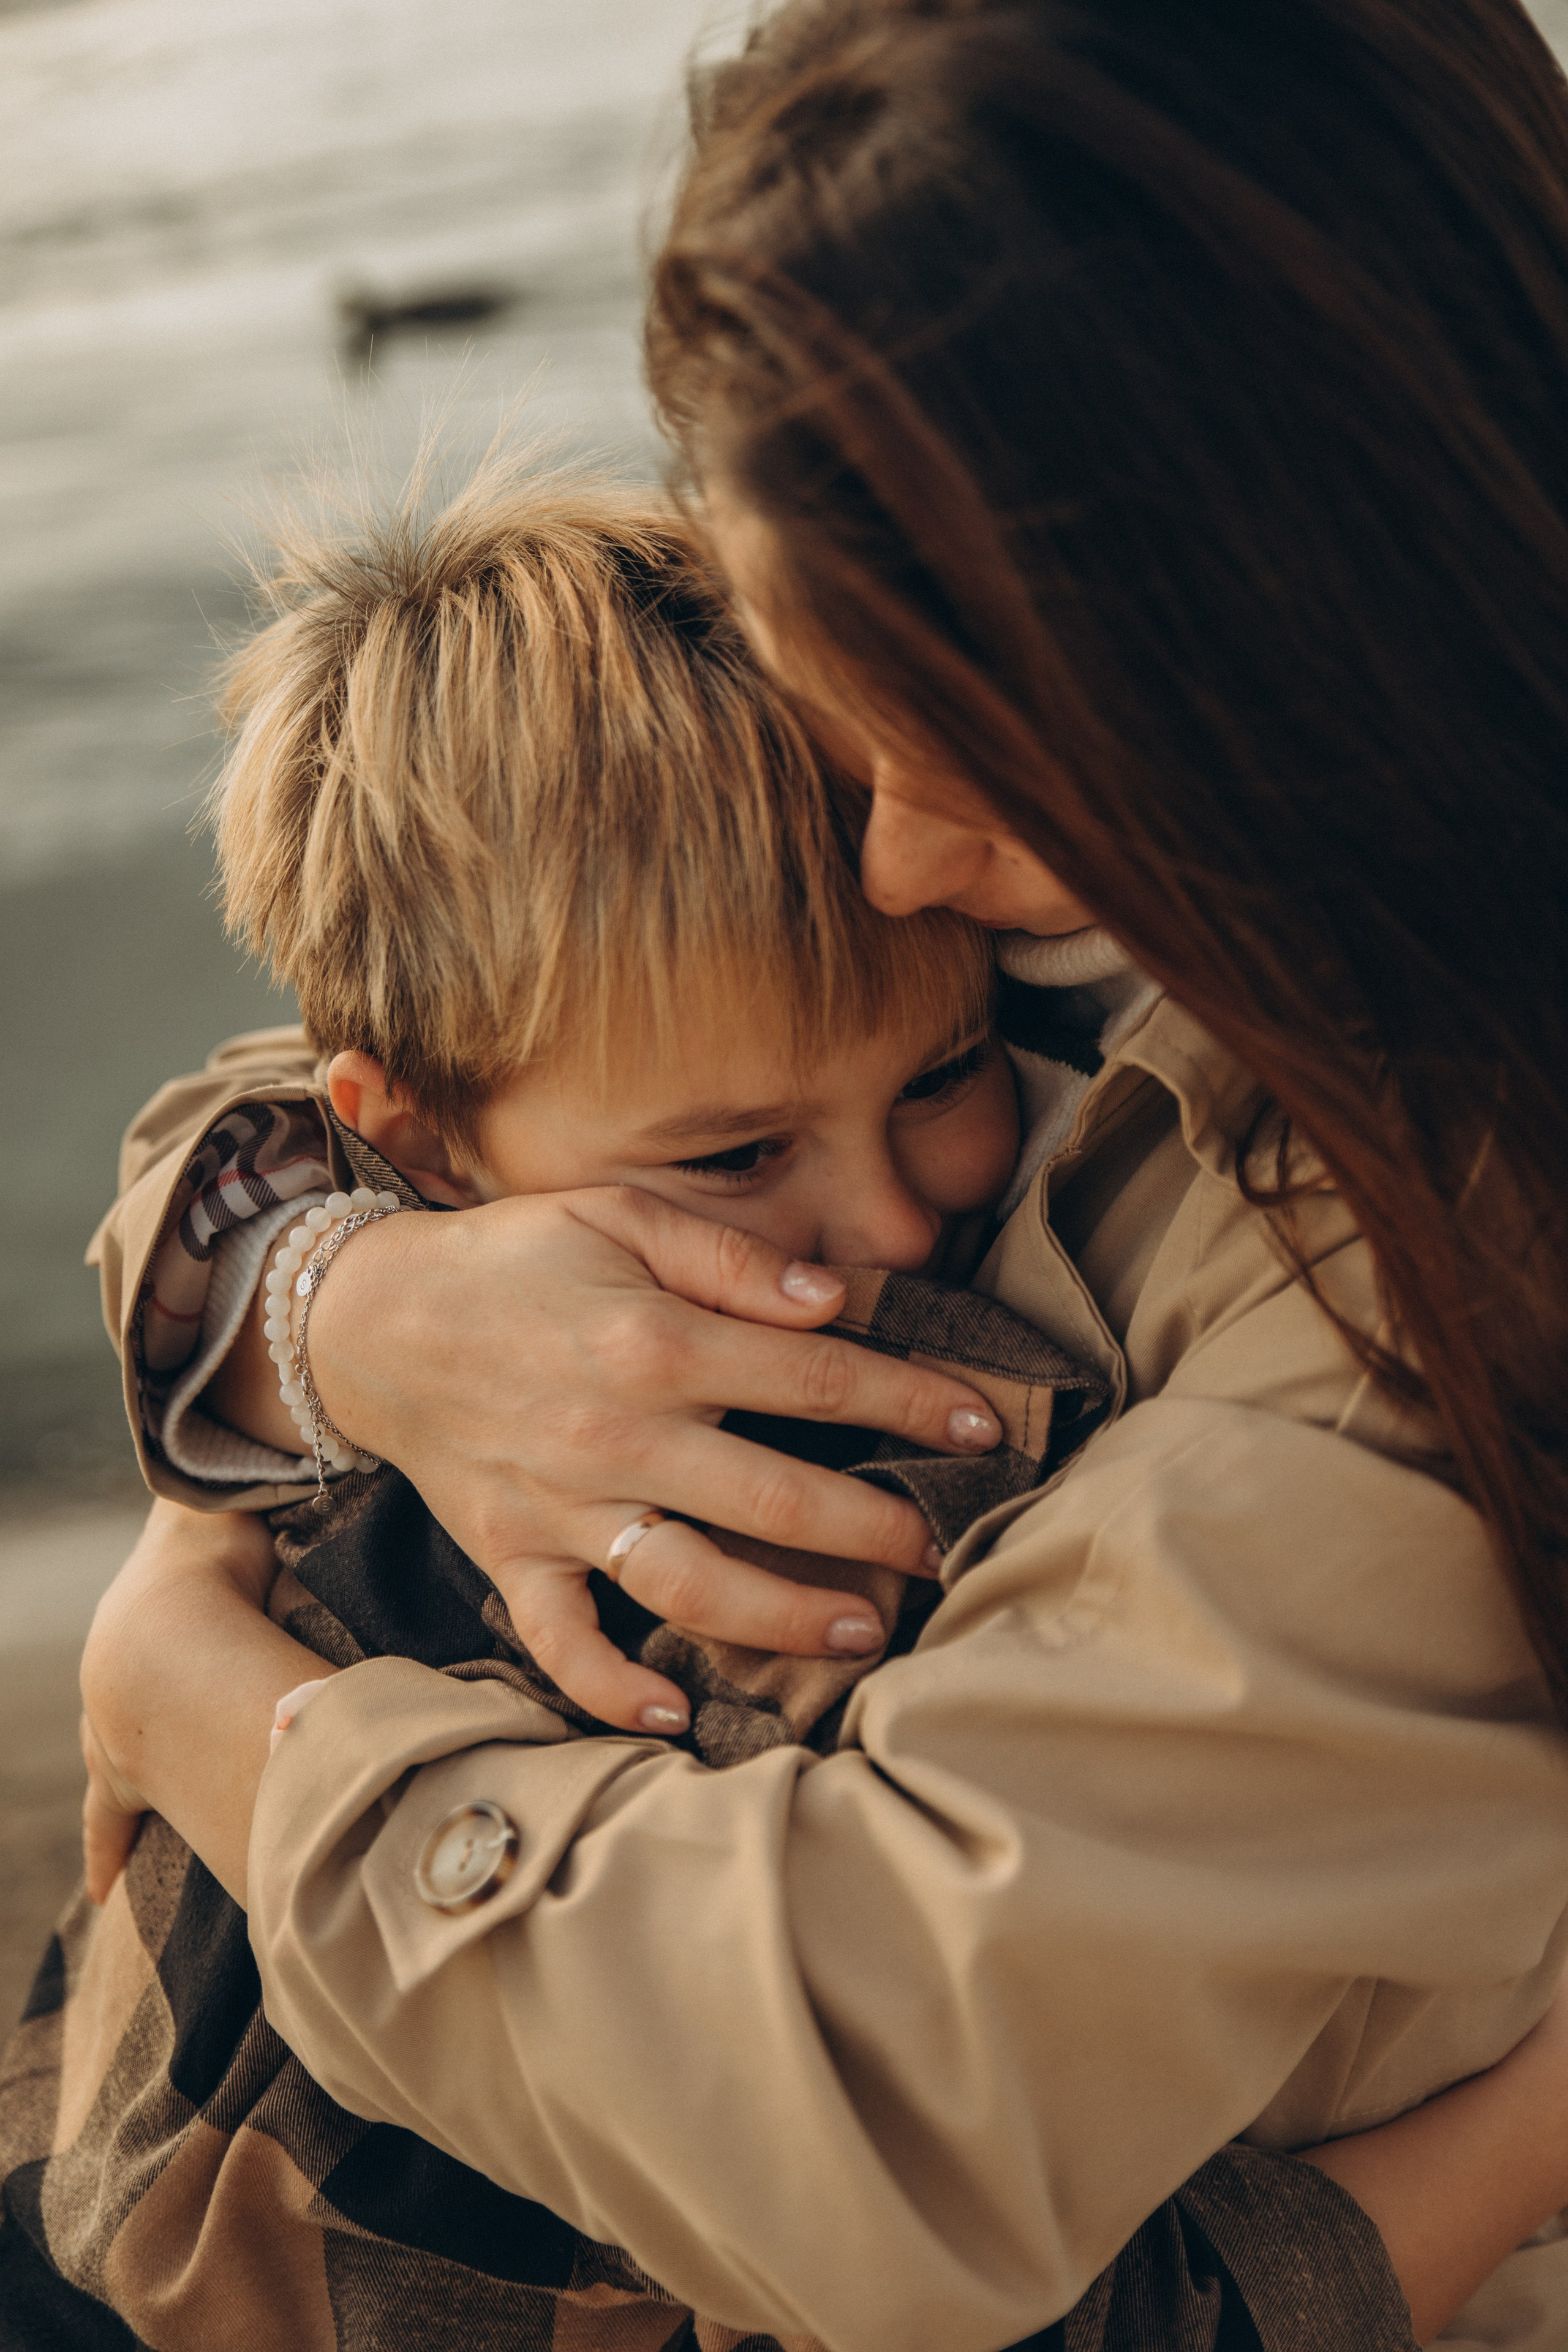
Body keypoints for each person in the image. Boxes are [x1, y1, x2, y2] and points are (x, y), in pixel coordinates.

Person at [42, 0, 1568, 2345]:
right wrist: (337, 1303)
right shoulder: (1144, 907)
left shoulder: (1423, 1274)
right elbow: (395, 1057)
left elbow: (870, 2121)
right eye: (844, 710)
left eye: (984, 732)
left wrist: (204, 1706)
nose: (900, 852)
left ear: (1285, 635)